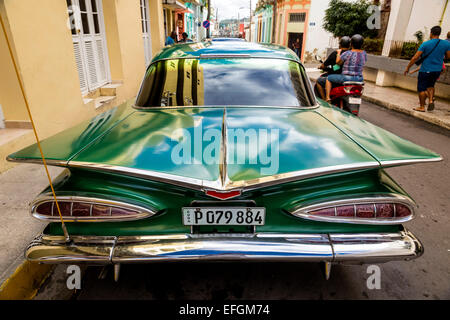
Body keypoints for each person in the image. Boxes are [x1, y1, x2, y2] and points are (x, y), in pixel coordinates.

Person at [404, 26, 450, 112]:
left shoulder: (425, 44)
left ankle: (422, 107)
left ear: (431, 33)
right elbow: (448, 56)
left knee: (421, 89)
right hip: (437, 70)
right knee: (431, 86)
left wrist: (408, 67)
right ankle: (431, 100)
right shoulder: (446, 44)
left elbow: (415, 58)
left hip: (425, 70)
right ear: (439, 33)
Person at [325, 34, 367, 102]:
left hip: (347, 78)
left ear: (351, 44)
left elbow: (338, 63)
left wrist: (338, 53)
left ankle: (327, 98)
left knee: (328, 78)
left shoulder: (347, 53)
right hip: (359, 79)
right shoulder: (364, 54)